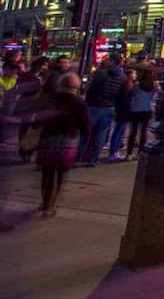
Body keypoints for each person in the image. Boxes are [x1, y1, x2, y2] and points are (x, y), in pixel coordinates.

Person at [36, 72, 89, 216]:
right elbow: (84, 125)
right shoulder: (78, 102)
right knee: (60, 173)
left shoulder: (50, 100)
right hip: (67, 140)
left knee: (47, 172)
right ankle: (51, 204)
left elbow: (38, 119)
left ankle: (45, 202)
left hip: (48, 137)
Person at [79, 53, 126, 166]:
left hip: (94, 105)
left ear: (111, 61)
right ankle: (94, 159)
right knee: (100, 135)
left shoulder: (100, 73)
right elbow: (121, 94)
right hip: (109, 106)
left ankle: (78, 157)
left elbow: (91, 89)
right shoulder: (122, 76)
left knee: (85, 133)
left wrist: (87, 102)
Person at [125, 65, 157, 159]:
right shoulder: (153, 86)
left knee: (133, 132)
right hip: (147, 110)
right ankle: (140, 152)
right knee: (143, 132)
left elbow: (131, 95)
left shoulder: (137, 85)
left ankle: (129, 153)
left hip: (136, 109)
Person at [107, 67, 137, 162]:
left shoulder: (128, 84)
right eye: (134, 73)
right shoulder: (127, 85)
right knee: (119, 131)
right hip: (124, 111)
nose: (135, 75)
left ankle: (115, 151)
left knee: (120, 131)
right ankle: (113, 151)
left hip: (123, 111)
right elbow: (124, 99)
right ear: (130, 75)